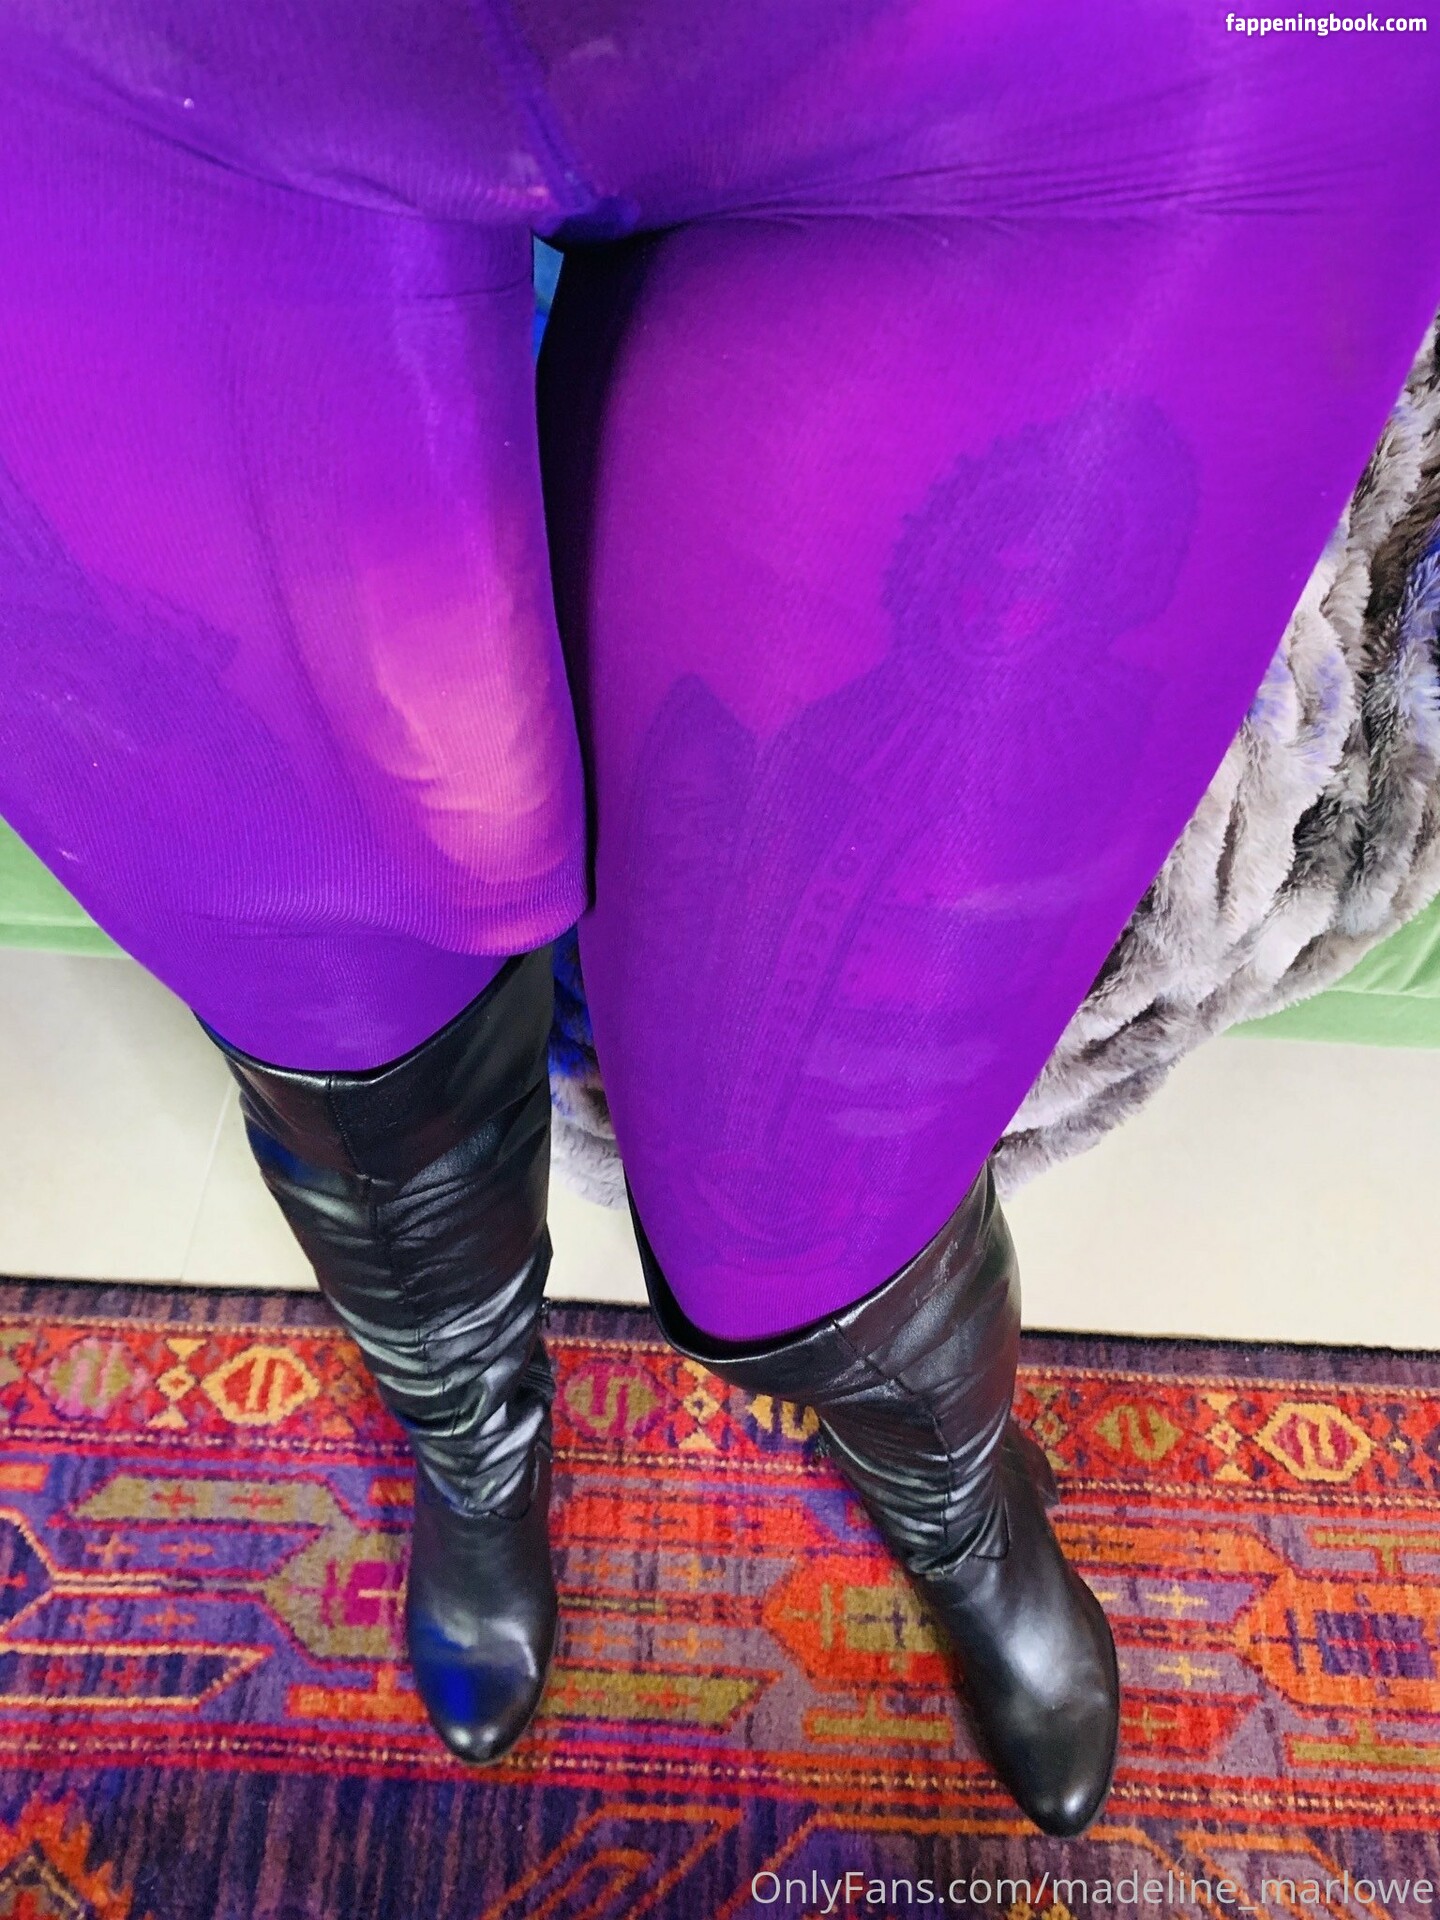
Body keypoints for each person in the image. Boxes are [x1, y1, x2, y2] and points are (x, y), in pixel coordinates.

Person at [2, 0, 1436, 1840]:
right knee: (347, 1032)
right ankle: (473, 1426)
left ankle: (952, 1492)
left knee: (803, 1193)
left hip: (1091, 66)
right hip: (115, 59)